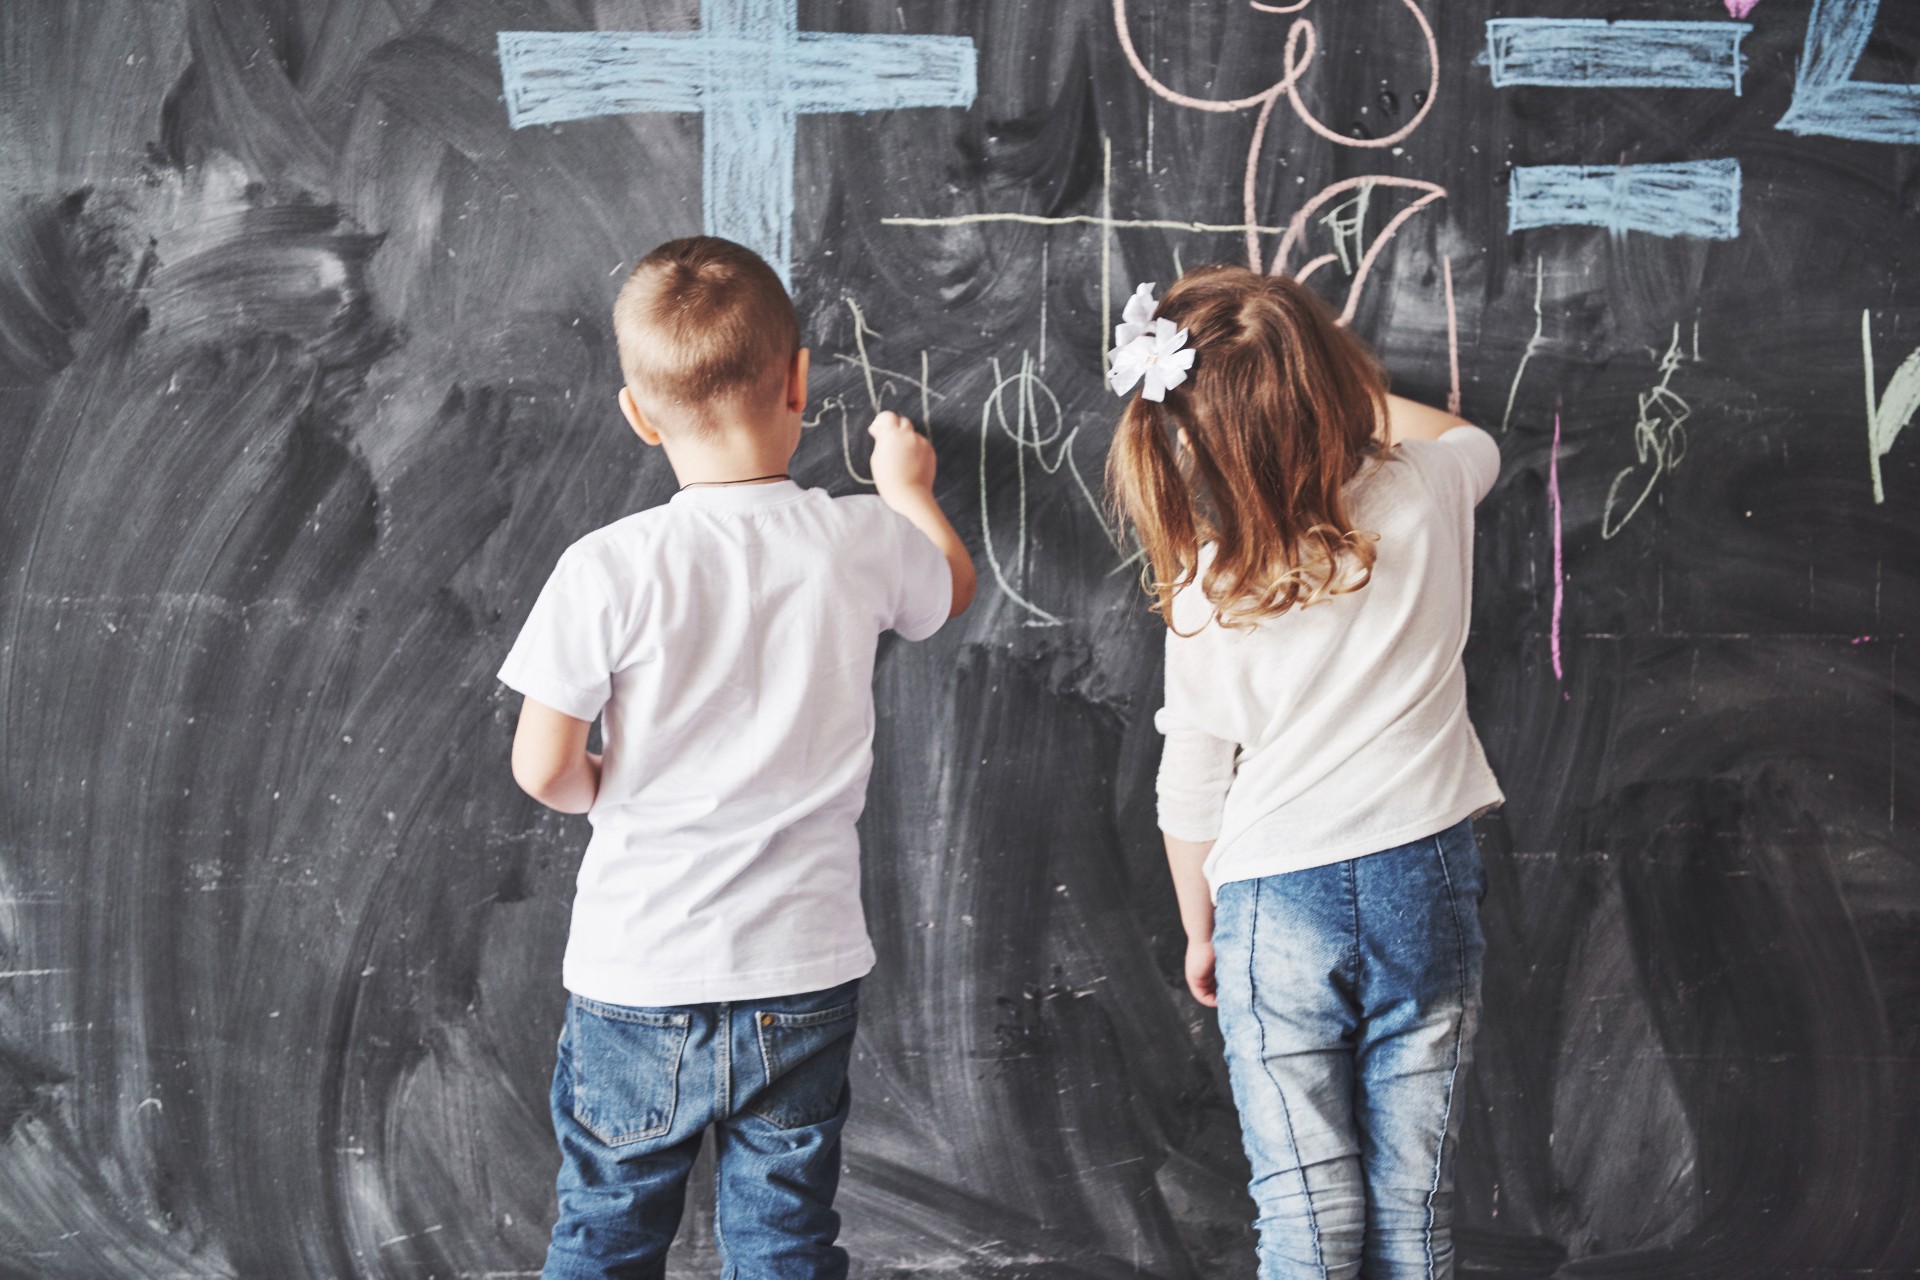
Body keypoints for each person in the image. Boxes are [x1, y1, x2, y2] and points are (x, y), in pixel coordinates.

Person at [497, 235, 975, 1279]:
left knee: (608, 1227)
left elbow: (543, 766)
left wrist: (597, 785)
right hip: (798, 971)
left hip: (638, 968)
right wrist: (909, 485)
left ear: (637, 412)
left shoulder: (608, 566)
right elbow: (944, 591)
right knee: (786, 1235)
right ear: (800, 379)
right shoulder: (854, 538)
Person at [1105, 266, 1504, 1279]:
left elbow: (1190, 776)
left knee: (1306, 1209)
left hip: (1269, 897)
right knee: (1416, 1206)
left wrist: (1199, 923)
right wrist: (1350, 391)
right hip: (1427, 873)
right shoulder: (1425, 489)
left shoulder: (1207, 581)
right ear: (1338, 385)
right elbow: (1472, 438)